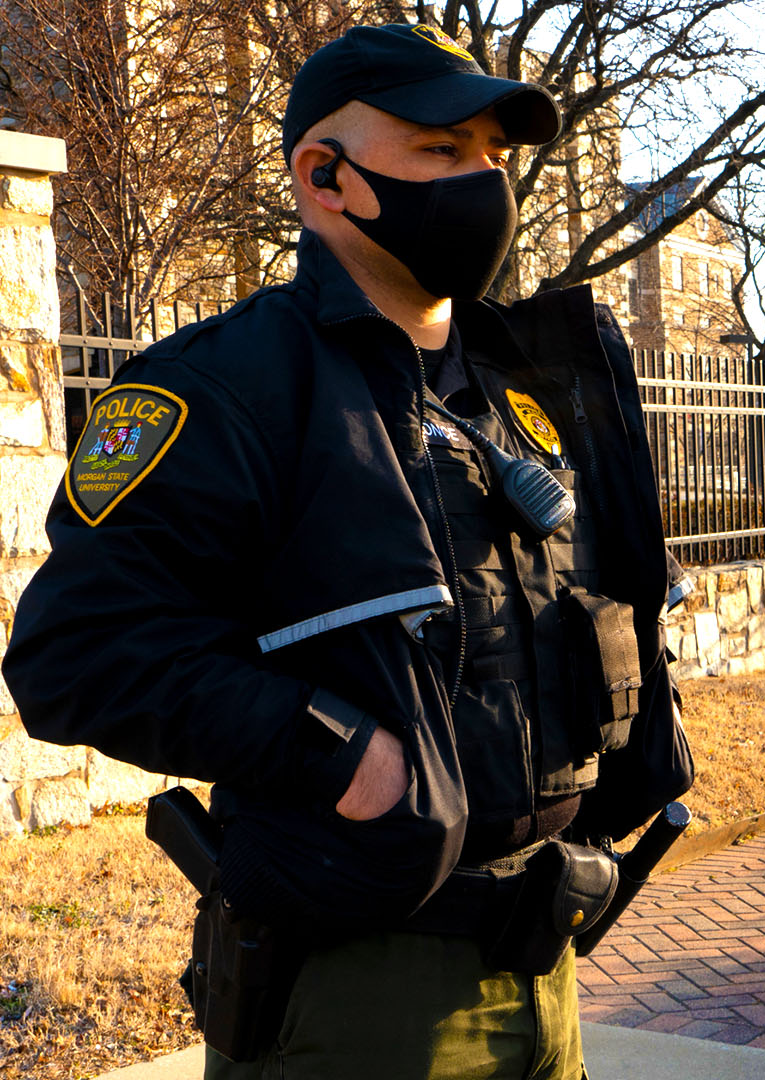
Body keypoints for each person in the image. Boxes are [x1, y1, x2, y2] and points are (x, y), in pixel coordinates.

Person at [3, 23, 692, 1079]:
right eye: (441, 150)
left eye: (492, 157)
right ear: (326, 176)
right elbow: (77, 656)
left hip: (547, 972)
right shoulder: (224, 388)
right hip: (361, 990)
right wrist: (337, 752)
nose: (483, 182)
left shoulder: (521, 394)